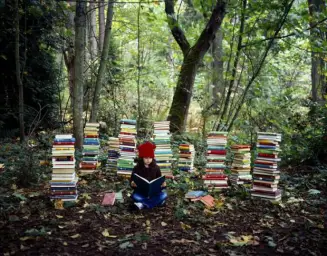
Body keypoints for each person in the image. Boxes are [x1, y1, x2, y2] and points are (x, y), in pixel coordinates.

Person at [130, 141, 167, 209]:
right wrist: (132, 184)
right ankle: (156, 203)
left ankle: (143, 205)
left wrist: (163, 185)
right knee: (135, 196)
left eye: (150, 158)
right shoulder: (137, 168)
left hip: (154, 193)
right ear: (142, 158)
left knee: (164, 195)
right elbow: (132, 180)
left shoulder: (156, 168)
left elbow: (159, 181)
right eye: (146, 158)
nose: (148, 160)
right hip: (141, 193)